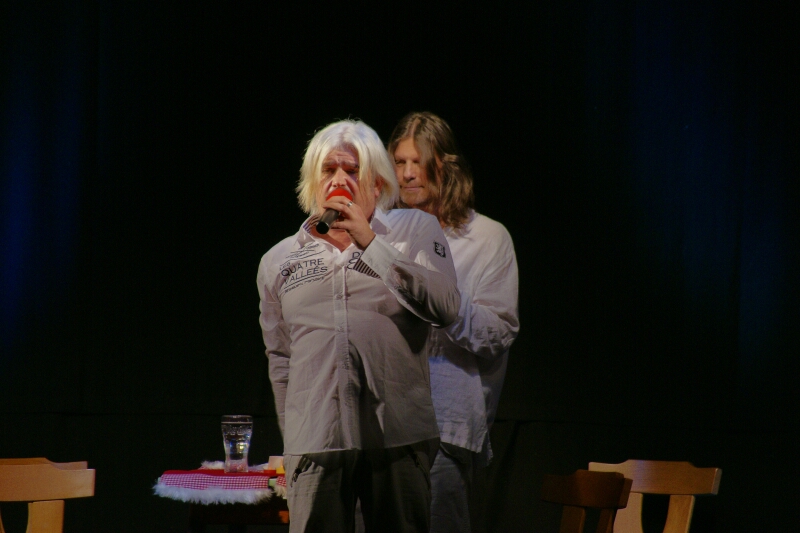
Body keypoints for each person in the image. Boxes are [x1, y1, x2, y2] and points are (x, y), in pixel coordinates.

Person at [257, 119, 461, 533]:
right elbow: (280, 358)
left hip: (398, 439)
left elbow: (446, 307)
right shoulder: (279, 259)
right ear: (312, 181)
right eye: (328, 170)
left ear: (377, 183)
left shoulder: (415, 230)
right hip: (316, 444)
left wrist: (371, 242)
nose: (339, 180)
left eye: (352, 170)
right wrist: (294, 442)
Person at [387, 112, 520, 533]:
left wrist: (444, 306)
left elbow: (499, 331)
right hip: (383, 427)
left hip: (445, 429)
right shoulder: (382, 234)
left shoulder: (487, 238)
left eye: (418, 162)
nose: (407, 174)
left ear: (444, 166)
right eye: (399, 162)